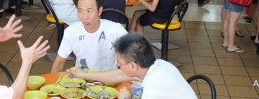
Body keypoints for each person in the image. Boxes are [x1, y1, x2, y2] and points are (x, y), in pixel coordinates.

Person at [69, 32, 197, 99]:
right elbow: (118, 74)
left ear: (133, 66)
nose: (119, 67)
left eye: (119, 64)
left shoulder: (154, 84)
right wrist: (83, 74)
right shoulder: (158, 65)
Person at [51, 0, 127, 72]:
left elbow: (132, 58)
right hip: (81, 79)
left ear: (100, 11)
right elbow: (59, 63)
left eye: (89, 11)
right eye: (80, 11)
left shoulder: (115, 30)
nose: (84, 17)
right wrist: (53, 84)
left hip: (109, 81)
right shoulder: (71, 32)